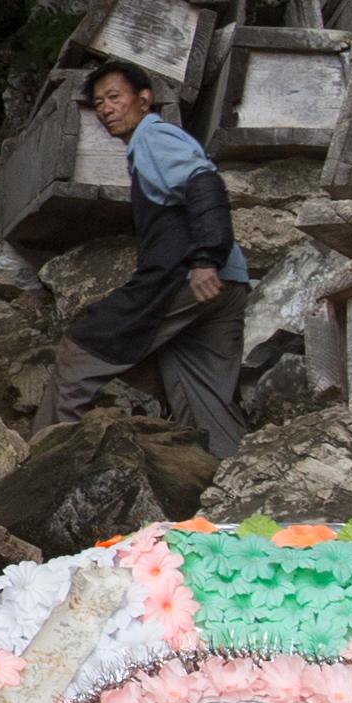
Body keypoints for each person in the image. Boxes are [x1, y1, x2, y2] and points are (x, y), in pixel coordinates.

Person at [44, 60, 250, 463]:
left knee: (79, 353)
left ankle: (47, 470)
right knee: (203, 395)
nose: (105, 108)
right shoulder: (153, 145)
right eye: (98, 102)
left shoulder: (153, 137)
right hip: (229, 286)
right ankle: (235, 483)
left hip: (191, 277)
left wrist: (206, 257)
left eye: (114, 97)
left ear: (144, 100)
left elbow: (205, 184)